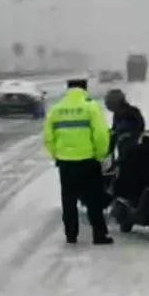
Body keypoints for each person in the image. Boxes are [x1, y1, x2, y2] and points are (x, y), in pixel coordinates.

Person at [42, 78, 114, 244]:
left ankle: (71, 235)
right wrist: (100, 155)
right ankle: (99, 235)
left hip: (66, 163)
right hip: (88, 161)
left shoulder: (57, 109)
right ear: (84, 88)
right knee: (93, 200)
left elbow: (48, 137)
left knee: (69, 200)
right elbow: (101, 135)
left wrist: (57, 155)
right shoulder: (90, 107)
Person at [103, 88, 147, 205]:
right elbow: (115, 131)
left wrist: (119, 132)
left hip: (132, 150)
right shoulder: (119, 113)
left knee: (123, 169)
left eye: (109, 103)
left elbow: (138, 127)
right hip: (124, 149)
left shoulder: (131, 112)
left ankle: (127, 196)